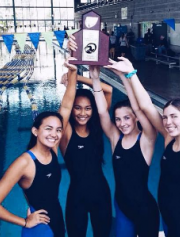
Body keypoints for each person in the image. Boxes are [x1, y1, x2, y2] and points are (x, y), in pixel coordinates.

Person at [105, 56, 180, 237]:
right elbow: (145, 106)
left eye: (174, 116)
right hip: (168, 217)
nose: (168, 122)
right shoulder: (170, 138)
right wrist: (130, 74)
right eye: (165, 117)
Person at [90, 65, 160, 237]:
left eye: (127, 118)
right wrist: (95, 78)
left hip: (145, 210)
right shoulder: (116, 138)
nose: (122, 123)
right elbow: (102, 112)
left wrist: (123, 77)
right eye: (118, 119)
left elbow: (138, 108)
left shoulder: (146, 139)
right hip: (121, 207)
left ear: (135, 118)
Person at [58, 39, 113, 237]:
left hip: (101, 194)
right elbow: (65, 104)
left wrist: (81, 79)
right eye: (78, 108)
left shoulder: (97, 127)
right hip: (77, 197)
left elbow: (108, 91)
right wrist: (73, 73)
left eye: (88, 108)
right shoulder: (65, 133)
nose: (83, 113)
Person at [0, 111, 66, 237]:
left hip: (57, 224)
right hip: (39, 230)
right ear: (35, 131)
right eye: (48, 129)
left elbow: (66, 107)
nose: (54, 134)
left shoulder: (52, 151)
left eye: (58, 130)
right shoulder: (24, 163)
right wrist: (25, 222)